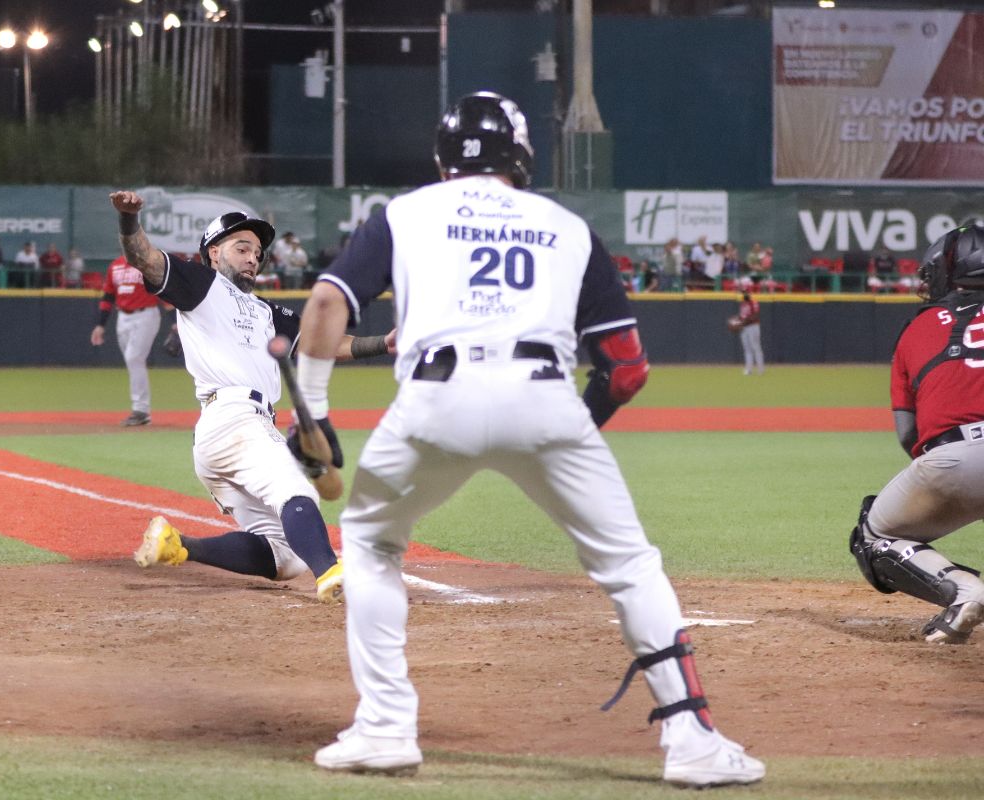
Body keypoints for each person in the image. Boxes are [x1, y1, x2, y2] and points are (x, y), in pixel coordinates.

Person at [295, 92, 764, 788]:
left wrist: (317, 415)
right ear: (522, 155)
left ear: (442, 157)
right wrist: (567, 438)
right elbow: (628, 368)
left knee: (369, 542)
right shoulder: (567, 225)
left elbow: (328, 305)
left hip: (433, 397)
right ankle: (693, 742)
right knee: (631, 565)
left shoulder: (409, 211)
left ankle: (385, 729)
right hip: (545, 394)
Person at [106, 191, 395, 603]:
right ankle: (332, 572)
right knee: (297, 488)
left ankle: (179, 544)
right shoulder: (202, 285)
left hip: (233, 432)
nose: (251, 258)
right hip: (233, 418)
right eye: (241, 247)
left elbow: (326, 343)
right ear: (212, 253)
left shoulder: (268, 313)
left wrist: (384, 342)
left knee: (286, 556)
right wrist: (128, 221)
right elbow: (145, 259)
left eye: (257, 252)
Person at [849, 223, 984, 645]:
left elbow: (908, 433)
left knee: (874, 534)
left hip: (954, 457)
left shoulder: (918, 327)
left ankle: (965, 592)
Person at [89, 254, 165, 427]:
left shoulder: (146, 264)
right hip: (123, 317)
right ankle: (141, 410)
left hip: (146, 314)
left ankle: (141, 410)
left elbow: (163, 293)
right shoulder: (115, 266)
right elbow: (108, 296)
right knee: (133, 361)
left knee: (133, 358)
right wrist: (100, 325)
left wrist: (175, 323)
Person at [735, 290, 764, 375]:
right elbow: (742, 316)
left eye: (746, 293)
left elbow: (755, 316)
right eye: (744, 293)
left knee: (756, 347)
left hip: (753, 327)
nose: (744, 295)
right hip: (744, 328)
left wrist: (743, 321)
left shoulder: (753, 303)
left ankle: (760, 369)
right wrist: (736, 321)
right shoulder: (742, 304)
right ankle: (749, 369)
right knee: (747, 349)